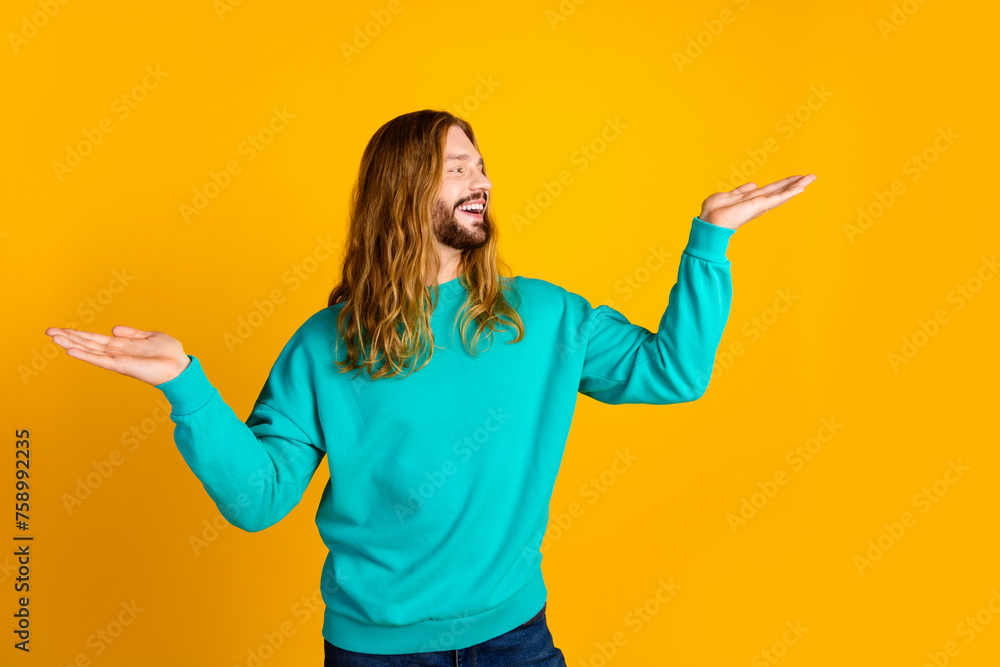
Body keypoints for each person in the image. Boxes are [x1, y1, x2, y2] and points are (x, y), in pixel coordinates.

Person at [44, 109, 816, 665]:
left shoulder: (544, 316)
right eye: (458, 168)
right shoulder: (326, 345)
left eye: (480, 165)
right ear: (405, 191)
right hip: (373, 652)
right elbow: (260, 500)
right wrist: (185, 384)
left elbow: (670, 373)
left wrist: (711, 240)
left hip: (514, 637)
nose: (481, 181)